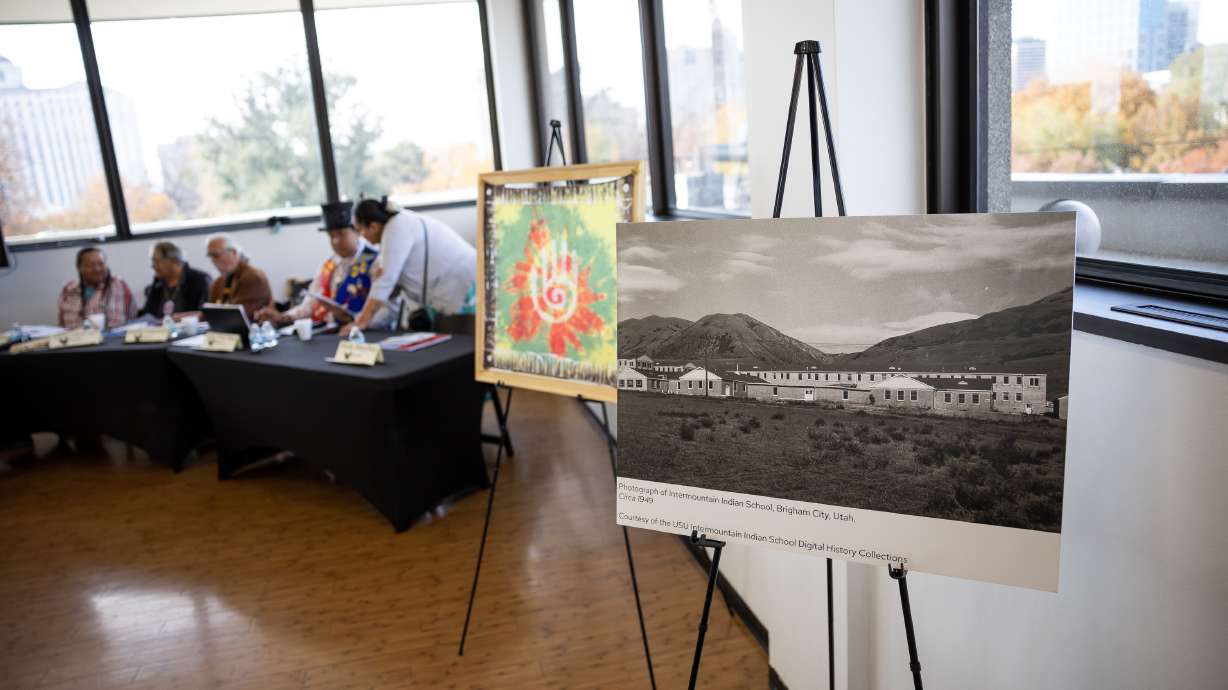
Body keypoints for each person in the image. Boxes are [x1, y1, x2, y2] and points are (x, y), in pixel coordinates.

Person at [341, 197, 476, 336]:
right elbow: (389, 287)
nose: (362, 238)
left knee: (467, 342)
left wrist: (361, 322)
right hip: (450, 290)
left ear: (373, 226)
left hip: (462, 285)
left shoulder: (397, 227)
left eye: (360, 230)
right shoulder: (398, 226)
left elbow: (385, 281)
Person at [254, 201, 389, 327]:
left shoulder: (376, 261)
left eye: (341, 234)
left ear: (357, 232)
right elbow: (310, 304)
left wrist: (356, 322)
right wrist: (283, 317)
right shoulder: (329, 265)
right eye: (331, 236)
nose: (336, 241)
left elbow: (386, 311)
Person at [57, 246, 138, 329]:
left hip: (110, 339)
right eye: (91, 265)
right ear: (79, 268)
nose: (97, 269)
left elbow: (121, 322)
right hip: (74, 339)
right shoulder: (69, 289)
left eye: (101, 264)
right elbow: (62, 325)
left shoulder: (116, 285)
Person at [205, 233, 272, 320]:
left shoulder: (253, 277)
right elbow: (208, 313)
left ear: (233, 252)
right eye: (210, 256)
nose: (213, 261)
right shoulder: (219, 282)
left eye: (216, 255)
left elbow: (239, 316)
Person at [140, 241, 212, 319]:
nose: (153, 266)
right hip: (157, 330)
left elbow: (206, 314)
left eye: (157, 261)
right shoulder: (157, 285)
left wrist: (179, 318)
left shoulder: (200, 280)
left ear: (173, 261)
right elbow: (147, 314)